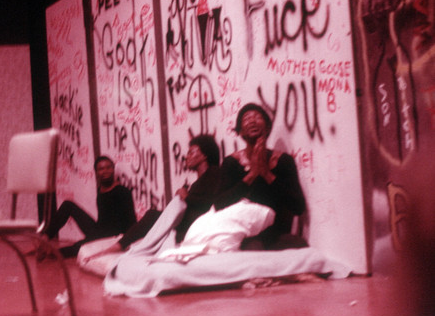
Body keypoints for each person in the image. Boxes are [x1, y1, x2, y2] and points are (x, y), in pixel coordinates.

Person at [81, 134, 221, 262]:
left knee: (153, 214)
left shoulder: (214, 173)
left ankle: (119, 246)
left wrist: (187, 197)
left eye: (191, 152)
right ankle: (124, 245)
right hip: (187, 222)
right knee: (154, 215)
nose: (187, 156)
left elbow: (212, 202)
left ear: (204, 155)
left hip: (193, 225)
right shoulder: (198, 181)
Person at [214, 103, 307, 250]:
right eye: (247, 119)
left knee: (300, 244)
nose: (252, 121)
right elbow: (219, 204)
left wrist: (266, 174)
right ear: (240, 132)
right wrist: (251, 175)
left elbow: (298, 207)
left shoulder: (283, 160)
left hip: (276, 234)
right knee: (254, 247)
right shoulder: (231, 162)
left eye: (258, 117)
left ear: (268, 128)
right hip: (242, 235)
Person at [44, 155, 136, 258]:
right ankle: (44, 238)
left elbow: (132, 220)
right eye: (101, 169)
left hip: (112, 236)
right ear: (96, 172)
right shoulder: (100, 190)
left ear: (113, 169)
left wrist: (125, 242)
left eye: (108, 167)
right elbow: (103, 219)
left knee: (78, 247)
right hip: (99, 230)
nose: (105, 171)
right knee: (68, 205)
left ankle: (50, 254)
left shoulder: (123, 191)